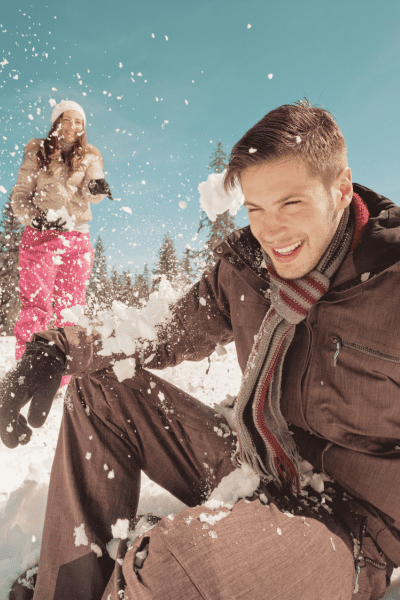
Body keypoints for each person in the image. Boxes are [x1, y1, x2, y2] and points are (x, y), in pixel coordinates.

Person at [1, 100, 399, 600]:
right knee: (100, 389)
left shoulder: (391, 285)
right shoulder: (248, 271)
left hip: (351, 524)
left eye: (291, 203)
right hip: (262, 458)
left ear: (340, 189)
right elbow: (162, 331)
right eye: (255, 207)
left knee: (174, 565)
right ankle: (71, 587)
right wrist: (59, 349)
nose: (270, 231)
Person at [10, 99, 112, 381]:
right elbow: (19, 197)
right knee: (36, 307)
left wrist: (96, 187)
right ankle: (27, 374)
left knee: (71, 311)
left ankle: (63, 377)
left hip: (77, 239)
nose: (73, 126)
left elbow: (94, 184)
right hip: (40, 237)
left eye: (78, 121)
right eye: (67, 120)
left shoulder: (91, 154)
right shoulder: (37, 150)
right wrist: (35, 218)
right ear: (56, 123)